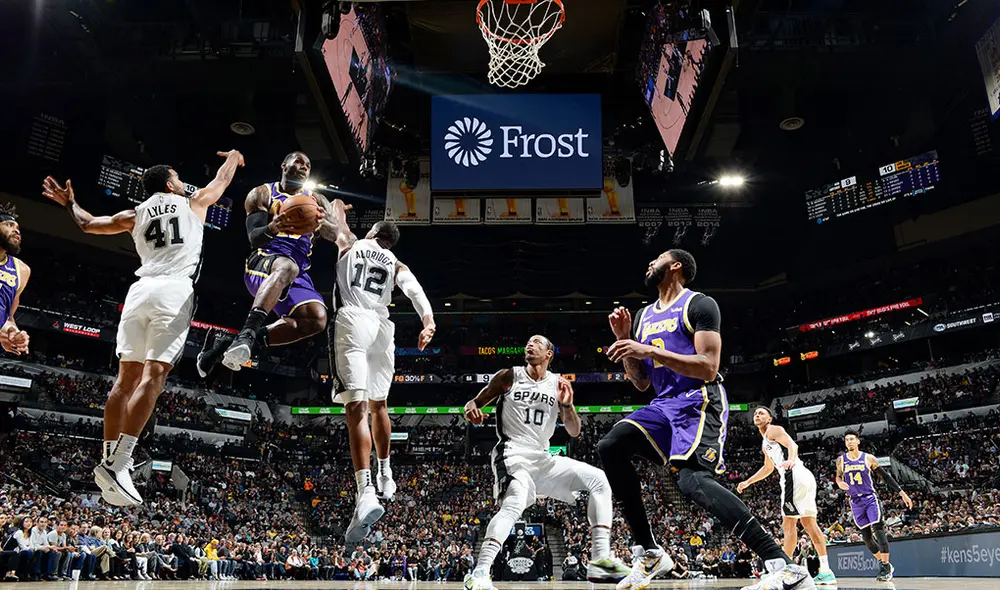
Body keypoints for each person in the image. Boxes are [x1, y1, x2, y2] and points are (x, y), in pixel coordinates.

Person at [600, 249, 812, 590]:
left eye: (657, 259)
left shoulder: (699, 305)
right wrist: (624, 341)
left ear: (676, 267)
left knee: (692, 482)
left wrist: (649, 350)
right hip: (663, 403)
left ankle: (784, 565)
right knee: (610, 445)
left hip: (699, 399)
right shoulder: (642, 315)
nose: (649, 264)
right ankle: (649, 551)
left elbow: (708, 367)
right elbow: (641, 381)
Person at [42, 149, 244, 506]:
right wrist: (234, 157)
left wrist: (70, 202)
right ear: (170, 183)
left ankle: (108, 460)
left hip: (139, 292)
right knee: (154, 376)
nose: (184, 184)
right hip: (174, 290)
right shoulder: (194, 203)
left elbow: (88, 224)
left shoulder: (133, 215)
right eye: (179, 178)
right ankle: (121, 462)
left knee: (125, 380)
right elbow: (223, 181)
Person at [461, 335, 630, 590]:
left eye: (537, 342)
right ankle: (480, 573)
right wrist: (471, 409)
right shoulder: (509, 376)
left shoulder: (558, 384)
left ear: (549, 353)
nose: (530, 345)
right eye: (528, 342)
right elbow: (474, 402)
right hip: (513, 453)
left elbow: (574, 431)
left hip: (543, 458)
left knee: (599, 480)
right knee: (513, 504)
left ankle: (600, 559)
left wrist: (569, 405)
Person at [326, 204, 436, 542]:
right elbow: (414, 290)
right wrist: (428, 321)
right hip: (382, 328)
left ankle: (366, 490)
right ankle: (387, 472)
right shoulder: (395, 263)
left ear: (373, 234)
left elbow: (338, 222)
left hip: (353, 321)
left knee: (355, 407)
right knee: (380, 405)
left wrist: (336, 207)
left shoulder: (351, 242)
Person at [197, 151, 341, 374]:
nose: (304, 166)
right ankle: (248, 332)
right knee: (286, 267)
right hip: (263, 261)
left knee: (316, 319)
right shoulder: (262, 193)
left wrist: (322, 222)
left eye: (309, 165)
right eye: (299, 161)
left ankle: (225, 343)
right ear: (284, 165)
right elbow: (254, 238)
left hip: (297, 272)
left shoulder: (317, 200)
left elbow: (335, 235)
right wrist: (274, 227)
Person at [737, 407, 837, 585]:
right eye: (755, 414)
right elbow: (768, 468)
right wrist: (748, 482)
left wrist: (791, 459)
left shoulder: (773, 430)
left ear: (770, 418)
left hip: (793, 476)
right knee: (809, 524)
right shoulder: (765, 441)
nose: (757, 415)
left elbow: (793, 445)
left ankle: (785, 569)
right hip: (803, 477)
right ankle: (826, 571)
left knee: (789, 524)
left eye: (761, 413)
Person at [836, 430, 913, 582]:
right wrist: (839, 482)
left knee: (878, 531)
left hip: (870, 499)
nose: (849, 442)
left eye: (852, 439)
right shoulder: (841, 460)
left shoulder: (868, 458)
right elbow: (838, 476)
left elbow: (885, 476)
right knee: (866, 538)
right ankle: (885, 564)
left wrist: (902, 493)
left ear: (858, 441)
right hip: (855, 502)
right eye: (847, 440)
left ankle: (885, 566)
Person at [0, 203, 30, 357]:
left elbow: (7, 317)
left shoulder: (21, 271)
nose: (17, 231)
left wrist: (12, 333)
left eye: (18, 228)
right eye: (9, 225)